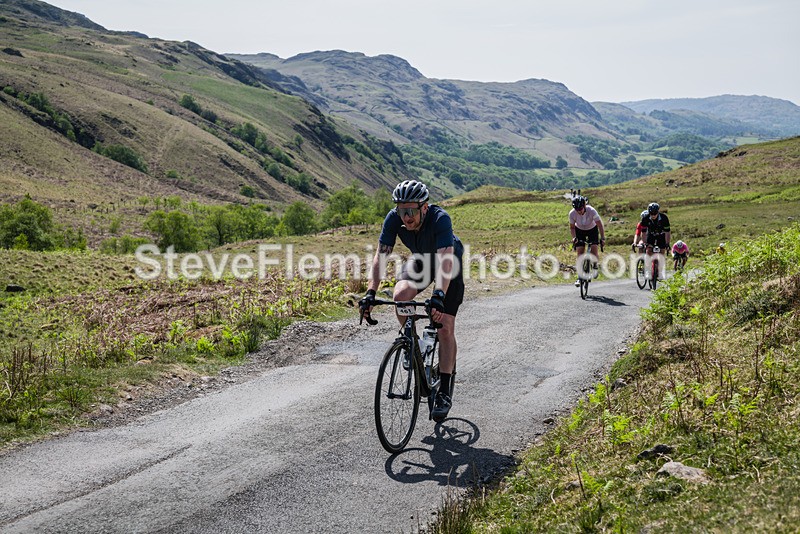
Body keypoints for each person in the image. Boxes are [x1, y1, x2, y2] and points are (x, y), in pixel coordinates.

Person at [359, 180, 464, 423]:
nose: (406, 217)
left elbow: (445, 261)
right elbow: (381, 256)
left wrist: (438, 295)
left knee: (445, 326)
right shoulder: (393, 219)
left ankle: (444, 391)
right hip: (421, 262)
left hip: (449, 265)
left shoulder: (440, 219)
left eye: (411, 211)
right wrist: (371, 292)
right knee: (400, 296)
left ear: (424, 208)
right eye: (401, 210)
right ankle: (412, 345)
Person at [568, 195, 605, 286]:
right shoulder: (572, 214)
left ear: (584, 206)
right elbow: (572, 228)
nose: (579, 211)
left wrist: (602, 238)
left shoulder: (591, 211)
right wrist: (574, 237)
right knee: (580, 253)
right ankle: (579, 277)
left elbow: (600, 225)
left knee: (594, 248)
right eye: (577, 209)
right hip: (579, 230)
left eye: (580, 208)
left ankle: (595, 266)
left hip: (592, 230)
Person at [639, 202, 671, 278]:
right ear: (649, 212)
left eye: (655, 213)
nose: (653, 215)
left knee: (662, 252)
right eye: (651, 213)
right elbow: (643, 232)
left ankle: (660, 271)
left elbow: (667, 232)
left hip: (661, 235)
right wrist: (644, 242)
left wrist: (667, 243)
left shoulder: (664, 218)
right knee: (648, 251)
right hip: (651, 235)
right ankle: (647, 270)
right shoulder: (645, 218)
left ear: (658, 212)